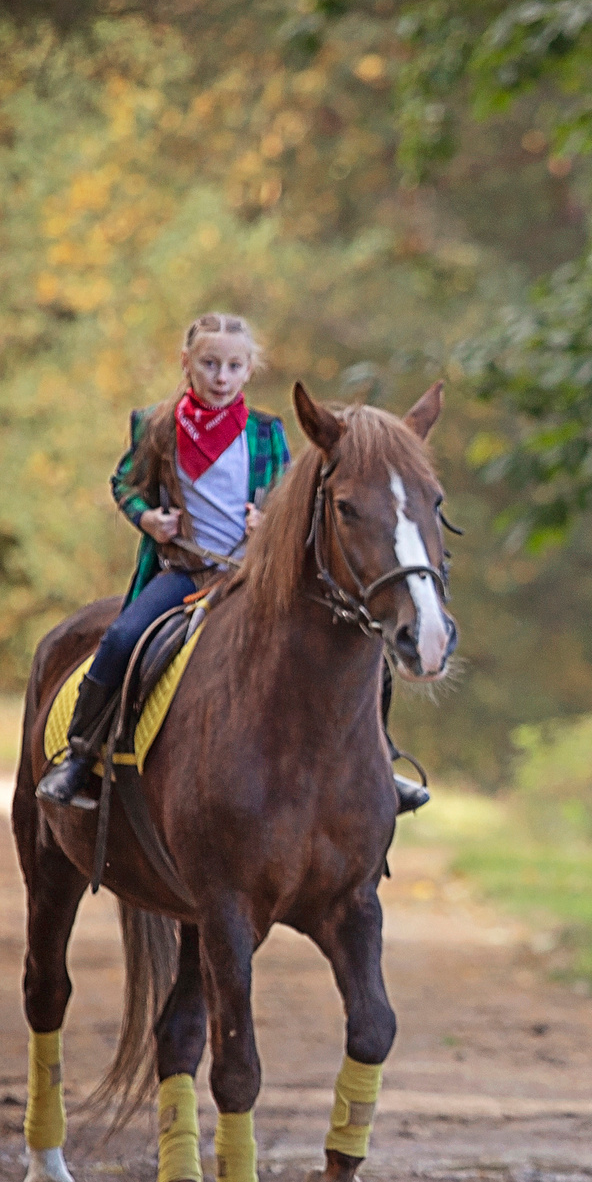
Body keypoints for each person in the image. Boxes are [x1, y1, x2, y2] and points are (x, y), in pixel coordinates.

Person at [38, 311, 429, 815]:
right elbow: (125, 484)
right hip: (184, 572)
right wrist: (149, 520)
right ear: (187, 364)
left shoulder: (266, 432)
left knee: (358, 643)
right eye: (209, 364)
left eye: (233, 367)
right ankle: (81, 755)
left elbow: (293, 501)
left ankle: (380, 758)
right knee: (120, 638)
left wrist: (268, 523)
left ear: (249, 370)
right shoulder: (156, 425)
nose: (221, 378)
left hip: (254, 575)